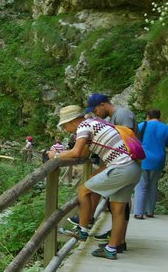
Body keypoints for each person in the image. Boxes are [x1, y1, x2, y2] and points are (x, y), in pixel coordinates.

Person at [50, 104, 141, 260]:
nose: (65, 129)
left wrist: (55, 155)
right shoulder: (96, 123)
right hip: (133, 168)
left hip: (120, 167)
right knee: (118, 210)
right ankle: (111, 249)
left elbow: (76, 152)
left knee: (83, 190)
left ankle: (83, 230)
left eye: (65, 125)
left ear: (73, 121)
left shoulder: (83, 126)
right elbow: (84, 152)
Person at [133, 109, 168, 219]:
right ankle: (150, 211)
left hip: (143, 159)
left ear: (147, 116)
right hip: (158, 160)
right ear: (159, 117)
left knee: (141, 185)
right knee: (153, 185)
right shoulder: (167, 128)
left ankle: (139, 212)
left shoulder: (141, 125)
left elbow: (133, 142)